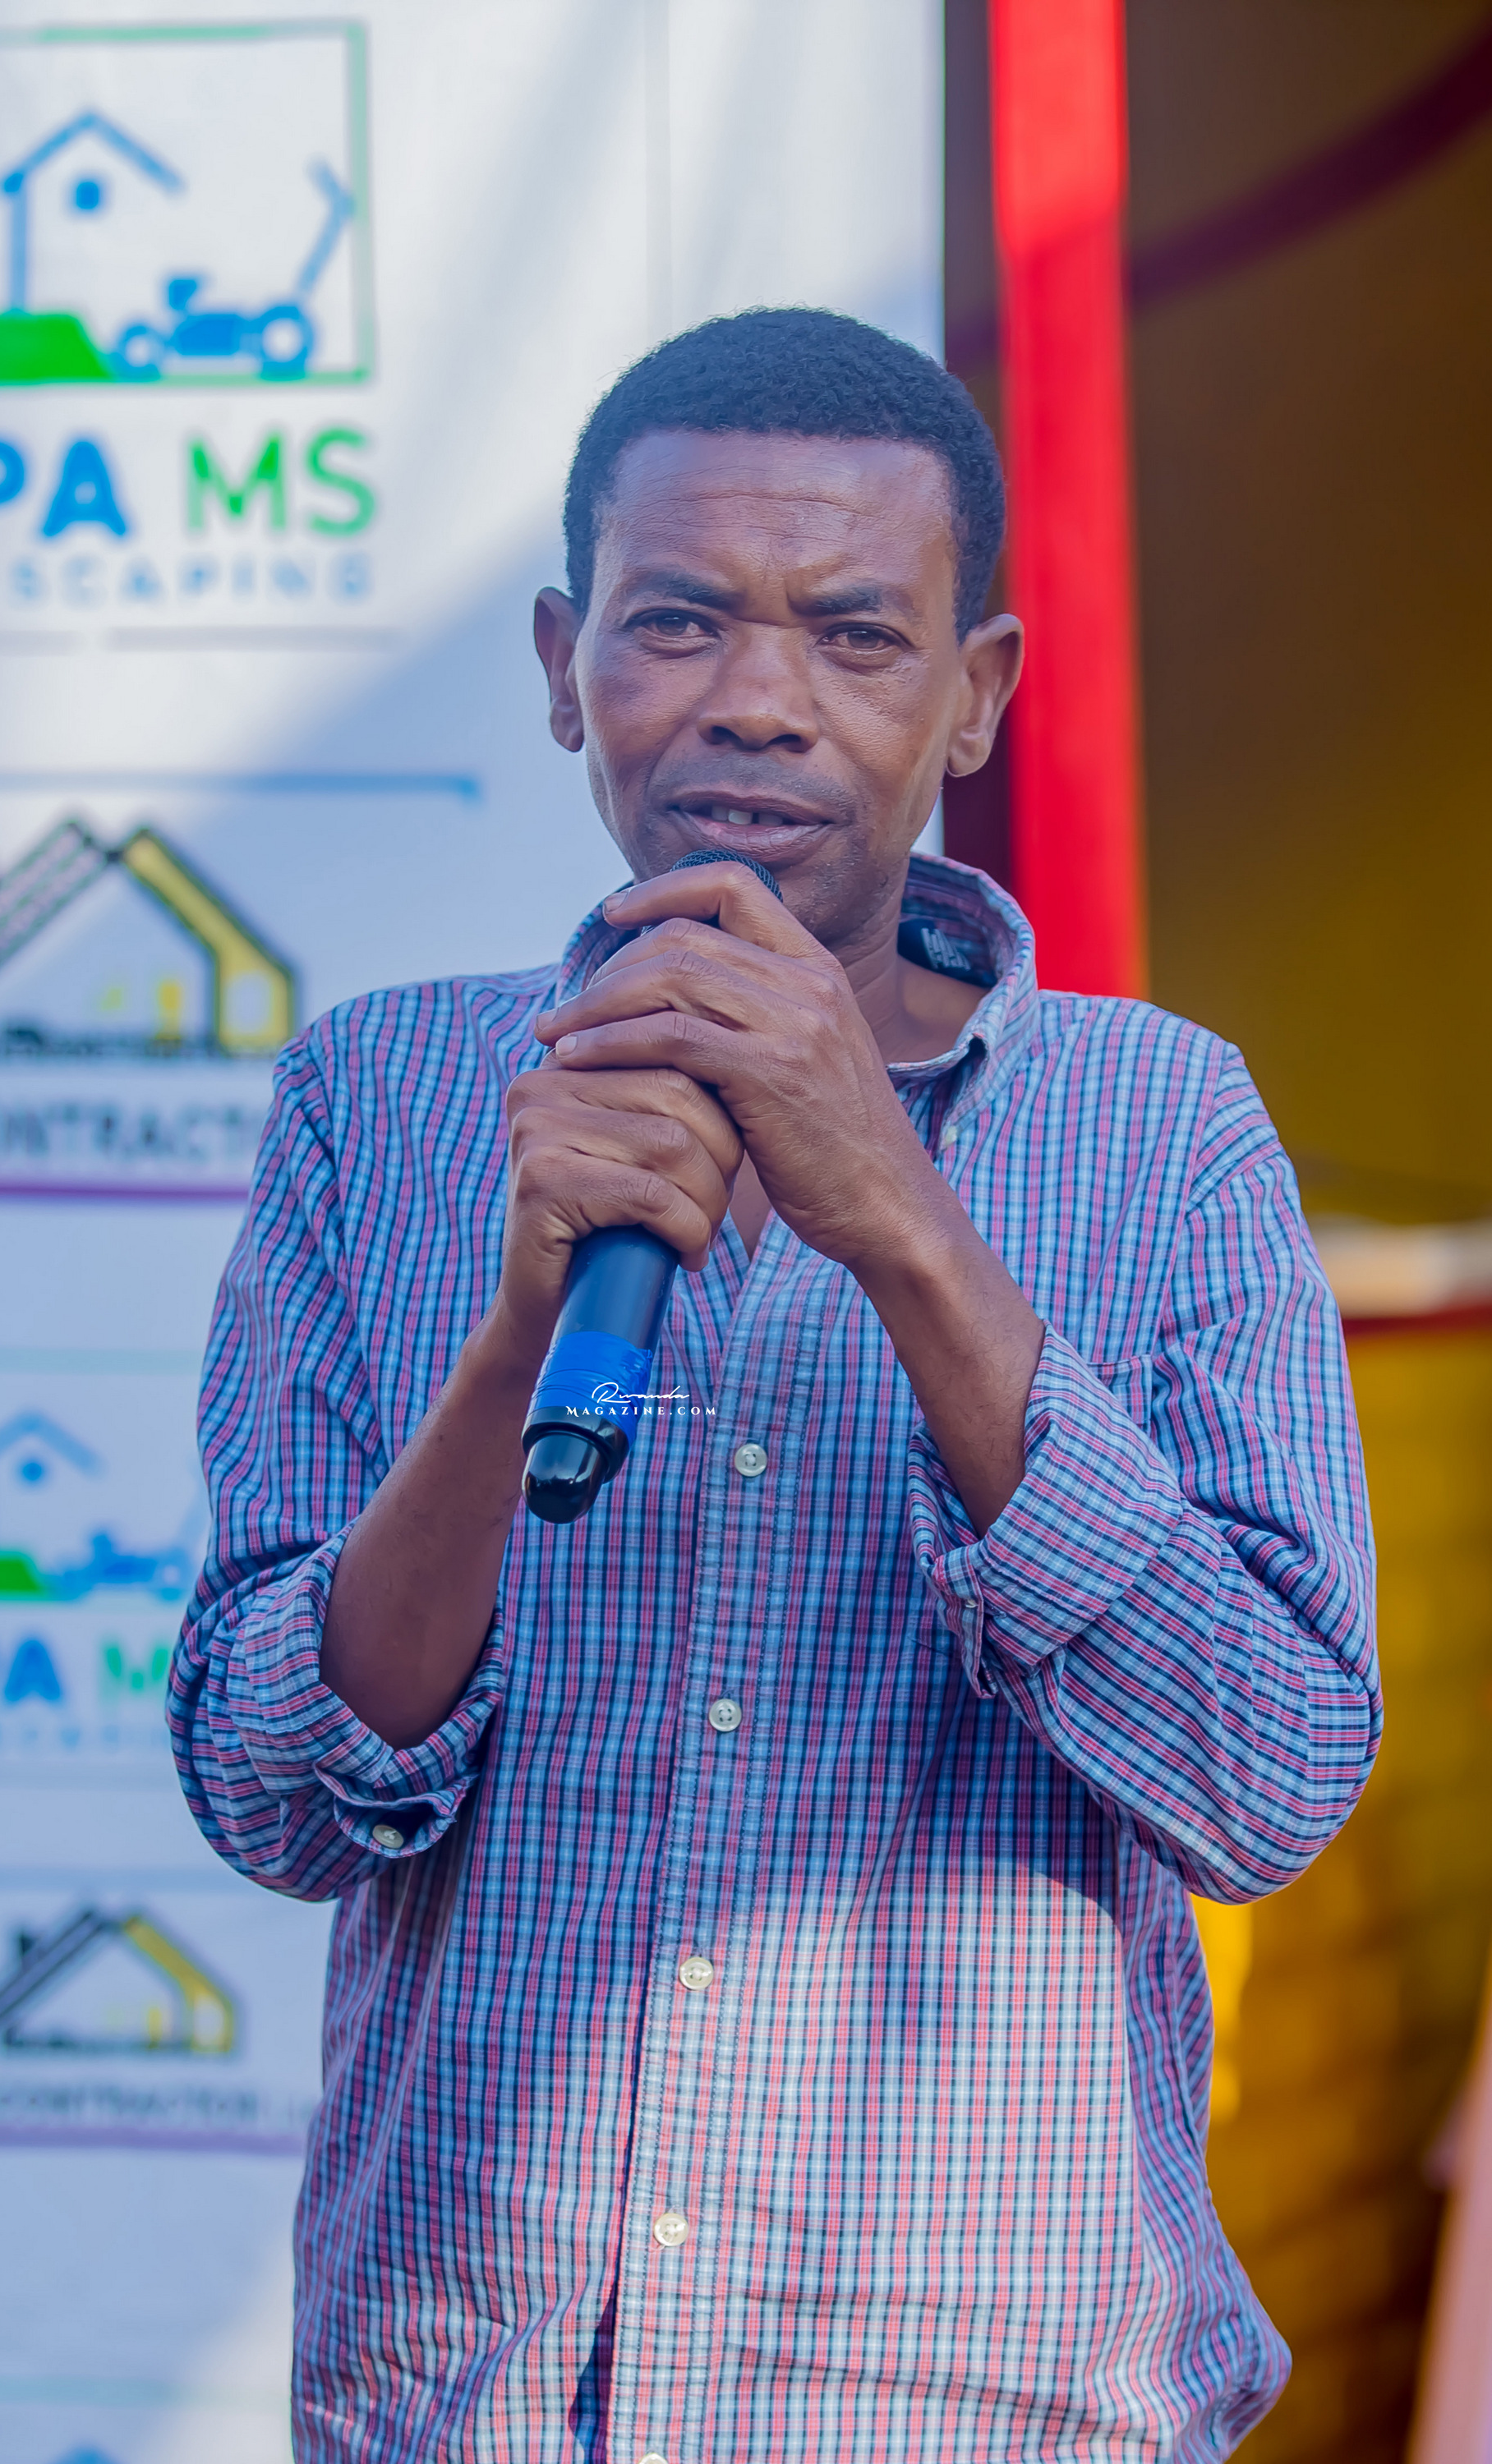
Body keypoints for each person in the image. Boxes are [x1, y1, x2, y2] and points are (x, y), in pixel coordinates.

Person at [171, 308, 1378, 2462]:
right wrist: (516, 1337)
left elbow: (1266, 1782)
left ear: (973, 693)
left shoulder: (1163, 1124)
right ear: (565, 665)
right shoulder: (384, 1100)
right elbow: (276, 1800)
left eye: (852, 634)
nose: (754, 698)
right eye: (676, 622)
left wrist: (899, 1217)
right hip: (481, 2394)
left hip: (981, 2408)